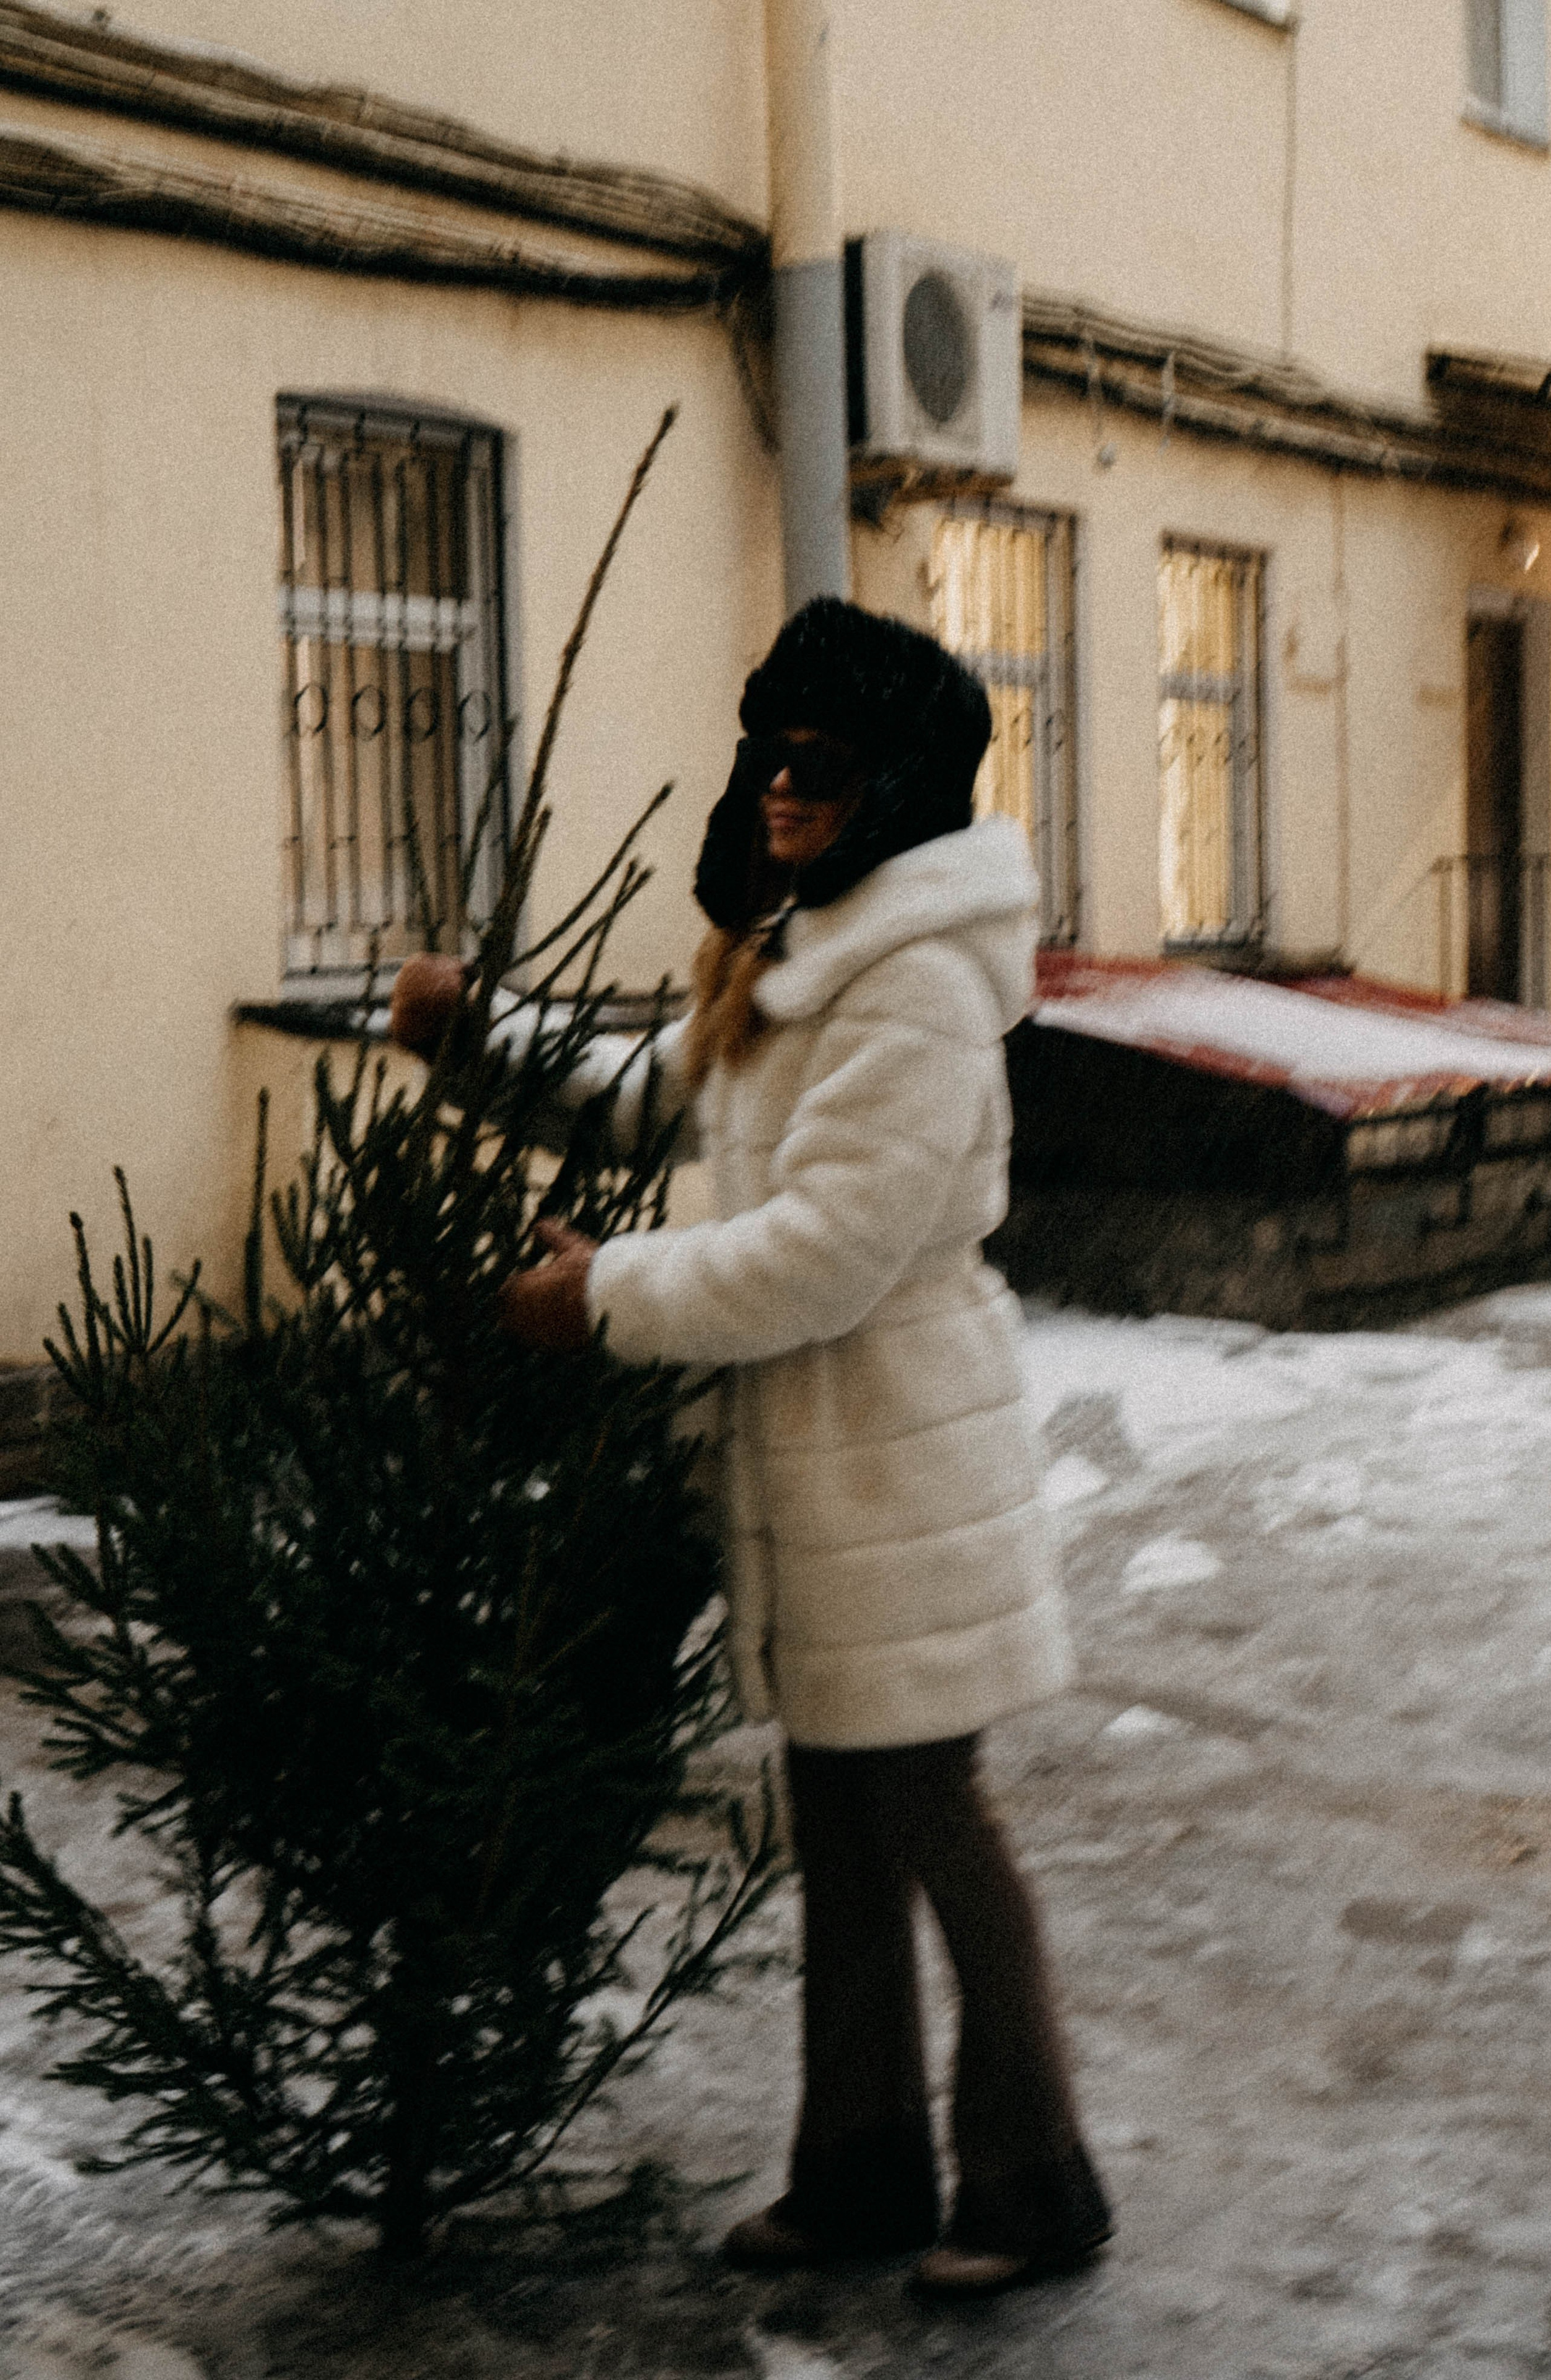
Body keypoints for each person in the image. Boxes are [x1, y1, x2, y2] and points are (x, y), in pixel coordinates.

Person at [389, 597, 1110, 2298]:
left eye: (827, 766)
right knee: (842, 1823)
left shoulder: (915, 983)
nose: (785, 789)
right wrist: (472, 1037)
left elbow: (826, 1251)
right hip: (823, 1465)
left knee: (933, 1815)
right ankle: (861, 2170)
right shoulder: (805, 947)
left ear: (901, 787)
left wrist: (605, 1299)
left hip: (898, 1460)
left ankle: (1035, 2182)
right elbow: (665, 1092)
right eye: (772, 757)